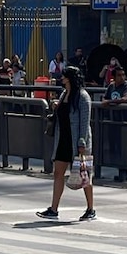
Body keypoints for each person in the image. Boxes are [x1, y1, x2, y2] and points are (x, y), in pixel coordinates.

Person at [36, 66, 95, 222]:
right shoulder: (64, 94)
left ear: (69, 78)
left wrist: (82, 142)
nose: (61, 79)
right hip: (63, 139)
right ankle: (53, 209)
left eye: (64, 76)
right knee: (58, 173)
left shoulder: (83, 97)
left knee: (84, 176)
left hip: (77, 141)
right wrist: (56, 107)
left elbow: (84, 121)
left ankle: (90, 208)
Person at [103, 63, 127, 182]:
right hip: (114, 121)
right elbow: (104, 99)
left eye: (123, 75)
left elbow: (125, 99)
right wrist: (107, 102)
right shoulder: (111, 86)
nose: (122, 77)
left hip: (125, 121)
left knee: (125, 148)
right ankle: (124, 172)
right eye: (119, 75)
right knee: (116, 147)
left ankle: (125, 173)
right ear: (114, 77)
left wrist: (110, 102)